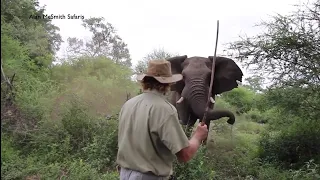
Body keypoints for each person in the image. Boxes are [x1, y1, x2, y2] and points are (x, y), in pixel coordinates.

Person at [116, 59, 209, 180]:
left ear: (144, 81)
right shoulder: (165, 109)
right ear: (168, 84)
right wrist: (198, 136)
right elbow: (185, 155)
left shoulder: (128, 105)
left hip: (124, 175)